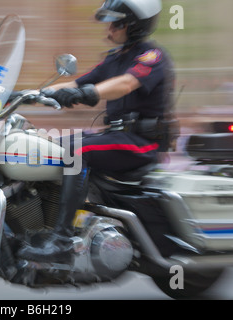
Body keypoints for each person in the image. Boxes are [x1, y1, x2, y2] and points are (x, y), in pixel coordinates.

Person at [17, 0, 177, 264]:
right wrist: (29, 95)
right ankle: (38, 227)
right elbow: (76, 83)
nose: (109, 30)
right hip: (115, 137)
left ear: (133, 25)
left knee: (76, 152)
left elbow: (126, 84)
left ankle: (63, 241)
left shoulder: (151, 57)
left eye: (115, 23)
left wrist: (88, 93)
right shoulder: (115, 58)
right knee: (46, 149)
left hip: (141, 143)